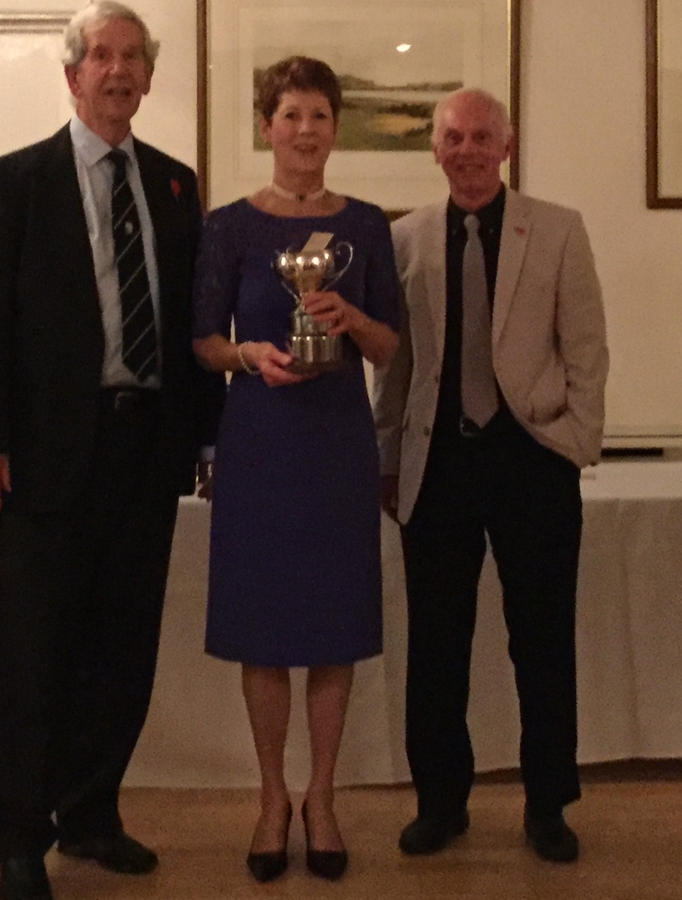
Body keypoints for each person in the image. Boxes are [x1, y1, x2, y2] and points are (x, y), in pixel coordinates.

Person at [0, 3, 225, 898]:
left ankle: (92, 813)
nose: (117, 70)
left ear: (148, 76)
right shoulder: (13, 182)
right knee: (35, 652)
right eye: (100, 56)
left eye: (132, 57)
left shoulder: (177, 185)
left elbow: (192, 325)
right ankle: (19, 841)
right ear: (72, 75)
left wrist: (210, 436)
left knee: (122, 647)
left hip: (147, 451)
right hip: (43, 456)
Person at [372, 87, 608, 865]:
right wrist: (386, 460)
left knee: (539, 642)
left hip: (529, 461)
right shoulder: (403, 239)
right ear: (434, 149)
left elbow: (585, 349)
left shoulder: (558, 230)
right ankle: (441, 803)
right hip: (435, 466)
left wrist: (572, 443)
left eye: (481, 137)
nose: (466, 149)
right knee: (436, 645)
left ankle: (547, 805)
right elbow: (398, 367)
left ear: (505, 148)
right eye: (452, 137)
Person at [192, 57, 399, 883]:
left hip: (337, 444)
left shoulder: (370, 227)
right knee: (265, 630)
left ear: (334, 126)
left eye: (318, 115)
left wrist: (348, 316)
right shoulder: (230, 226)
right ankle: (271, 795)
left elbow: (390, 347)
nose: (304, 130)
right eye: (289, 116)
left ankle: (323, 795)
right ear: (265, 127)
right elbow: (204, 341)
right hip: (262, 439)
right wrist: (246, 354)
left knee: (333, 628)